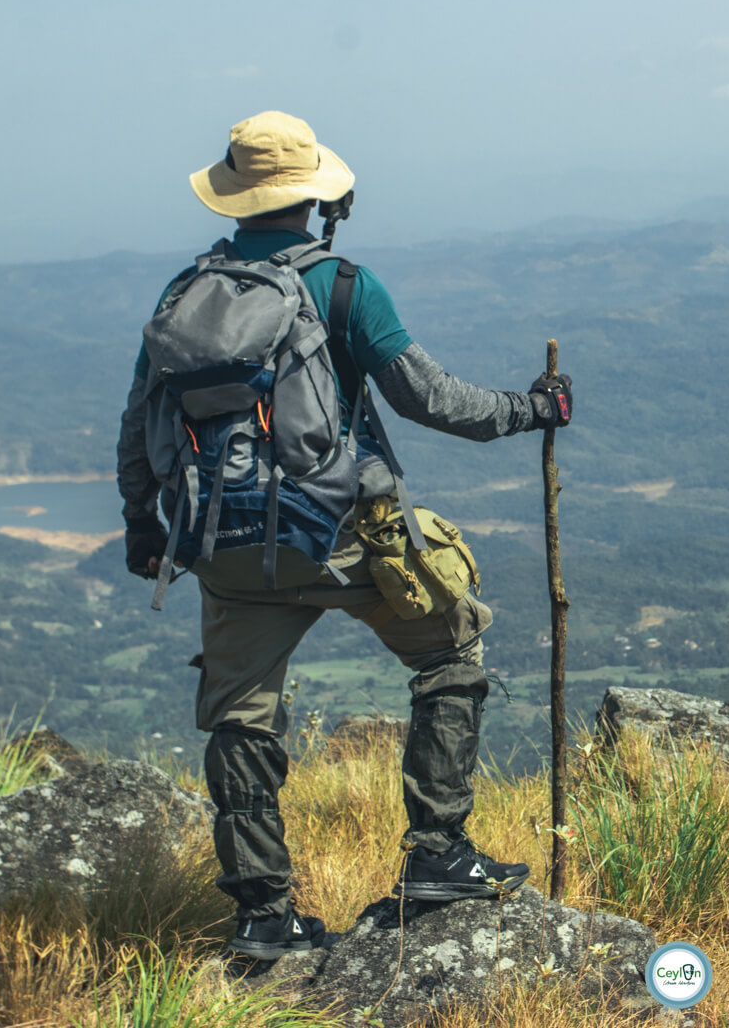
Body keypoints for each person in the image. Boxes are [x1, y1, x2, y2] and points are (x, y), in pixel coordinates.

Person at [117, 111, 573, 961]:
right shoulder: (342, 286)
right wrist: (535, 408)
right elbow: (433, 400)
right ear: (318, 196)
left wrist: (145, 525)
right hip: (343, 537)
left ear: (236, 198)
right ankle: (439, 853)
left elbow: (137, 418)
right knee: (452, 653)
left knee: (241, 721)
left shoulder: (184, 294)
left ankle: (263, 916)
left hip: (225, 546)